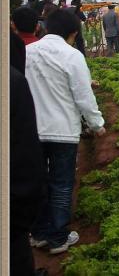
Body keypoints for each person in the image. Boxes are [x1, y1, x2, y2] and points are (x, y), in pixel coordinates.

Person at [26, 8, 106, 255]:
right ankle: (59, 237)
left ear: (45, 27)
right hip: (62, 132)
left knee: (37, 182)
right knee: (61, 184)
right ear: (73, 33)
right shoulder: (71, 56)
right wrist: (97, 124)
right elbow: (83, 95)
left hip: (30, 130)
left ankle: (38, 233)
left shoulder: (26, 52)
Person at [10, 58, 45, 275]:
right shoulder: (12, 80)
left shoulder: (27, 57)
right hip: (12, 213)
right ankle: (55, 234)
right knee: (60, 181)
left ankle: (41, 232)